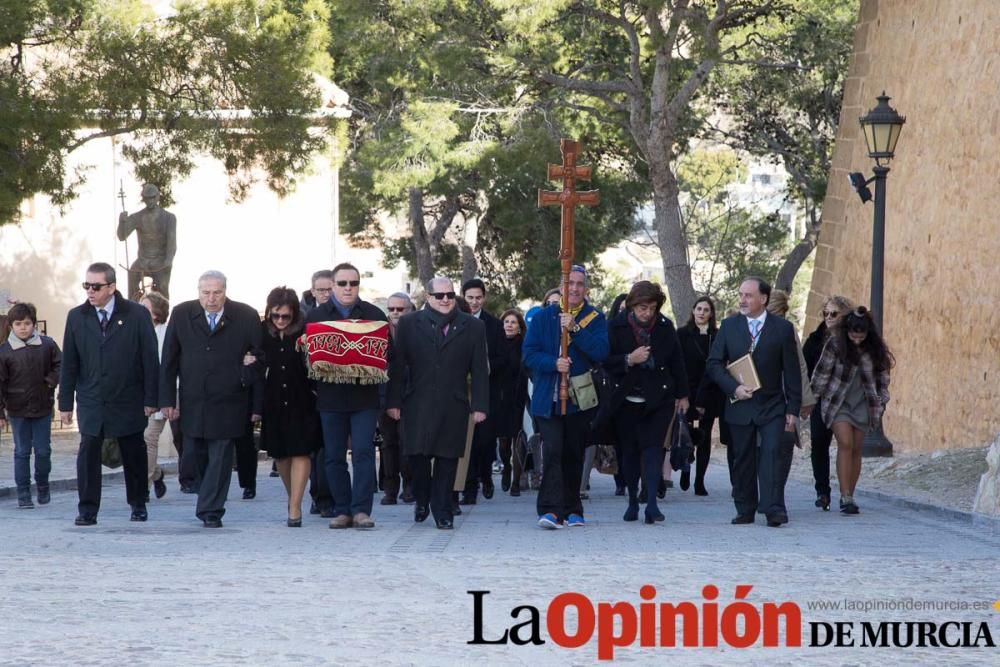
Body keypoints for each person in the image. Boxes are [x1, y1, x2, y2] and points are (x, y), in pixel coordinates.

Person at [159, 270, 264, 528]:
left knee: (221, 455)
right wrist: (167, 399)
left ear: (225, 292)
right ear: (198, 292)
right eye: (206, 293)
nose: (211, 299)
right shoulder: (182, 314)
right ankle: (207, 499)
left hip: (230, 399)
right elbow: (169, 360)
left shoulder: (246, 315)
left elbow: (261, 358)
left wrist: (246, 371)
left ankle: (211, 509)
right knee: (195, 454)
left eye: (217, 292)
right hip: (193, 399)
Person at [59, 263, 159, 525]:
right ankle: (87, 510)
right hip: (92, 399)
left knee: (133, 452)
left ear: (112, 287)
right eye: (86, 286)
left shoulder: (136, 314)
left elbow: (150, 359)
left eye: (96, 286)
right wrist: (65, 402)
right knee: (88, 452)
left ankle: (138, 503)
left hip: (128, 397)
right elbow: (69, 361)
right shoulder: (77, 316)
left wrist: (152, 399)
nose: (90, 291)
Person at [386, 277, 489, 529]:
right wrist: (394, 401)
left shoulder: (472, 327)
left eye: (450, 295)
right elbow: (398, 366)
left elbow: (479, 369)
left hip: (453, 402)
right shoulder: (410, 323)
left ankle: (442, 510)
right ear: (428, 298)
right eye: (439, 296)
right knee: (417, 456)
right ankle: (423, 498)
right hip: (417, 401)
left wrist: (480, 405)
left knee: (447, 457)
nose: (445, 300)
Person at [706, 277, 802, 528]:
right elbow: (714, 364)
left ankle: (774, 509)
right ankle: (745, 508)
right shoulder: (729, 326)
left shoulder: (782, 329)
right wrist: (734, 388)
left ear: (764, 299)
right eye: (741, 295)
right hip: (741, 405)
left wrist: (793, 409)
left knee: (772, 454)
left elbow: (791, 372)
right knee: (743, 458)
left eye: (748, 295)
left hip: (772, 405)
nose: (743, 300)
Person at [523, 265, 608, 529]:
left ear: (586, 288)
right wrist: (553, 363)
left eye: (579, 284)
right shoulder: (542, 318)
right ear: (561, 286)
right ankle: (549, 509)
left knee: (573, 453)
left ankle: (573, 508)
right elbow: (529, 354)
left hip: (579, 399)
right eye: (570, 283)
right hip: (547, 397)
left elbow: (601, 352)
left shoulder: (595, 317)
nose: (574, 288)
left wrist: (575, 330)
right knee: (554, 451)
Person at [305, 262, 388, 530]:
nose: (348, 288)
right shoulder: (316, 317)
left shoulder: (374, 315)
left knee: (364, 453)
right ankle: (342, 509)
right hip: (330, 398)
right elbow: (305, 361)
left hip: (365, 398)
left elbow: (389, 355)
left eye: (353, 283)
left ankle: (361, 510)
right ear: (333, 286)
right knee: (333, 456)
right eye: (342, 283)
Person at [601, 282, 689, 524]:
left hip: (657, 399)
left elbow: (677, 362)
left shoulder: (664, 327)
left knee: (653, 451)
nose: (647, 313)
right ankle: (631, 501)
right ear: (632, 305)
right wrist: (630, 359)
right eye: (642, 307)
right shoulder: (615, 326)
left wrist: (683, 395)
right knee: (629, 453)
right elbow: (605, 361)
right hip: (625, 399)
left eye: (651, 308)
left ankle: (651, 503)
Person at [810, 306, 893, 515]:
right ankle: (845, 494)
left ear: (867, 333)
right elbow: (821, 373)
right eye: (853, 335)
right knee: (845, 443)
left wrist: (882, 400)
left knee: (856, 448)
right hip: (838, 402)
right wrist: (810, 400)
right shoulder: (835, 345)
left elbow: (883, 377)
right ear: (847, 331)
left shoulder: (875, 350)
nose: (856, 339)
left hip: (864, 403)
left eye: (861, 335)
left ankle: (850, 495)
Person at [259, 287, 322, 526]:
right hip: (274, 402)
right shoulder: (262, 333)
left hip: (303, 401)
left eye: (285, 316)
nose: (280, 321)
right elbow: (254, 357)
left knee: (301, 452)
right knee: (281, 456)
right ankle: (292, 497)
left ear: (294, 313)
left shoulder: (306, 334)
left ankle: (295, 507)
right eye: (275, 316)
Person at [0, 302, 61, 509]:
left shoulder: (47, 345)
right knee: (22, 451)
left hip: (43, 406)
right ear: (11, 326)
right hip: (17, 409)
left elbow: (60, 364)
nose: (23, 327)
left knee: (43, 450)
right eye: (18, 324)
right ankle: (23, 492)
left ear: (34, 324)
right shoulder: (5, 351)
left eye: (27, 323)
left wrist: (51, 381)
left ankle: (42, 484)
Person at [802, 295, 855, 511]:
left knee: (847, 445)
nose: (829, 318)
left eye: (834, 314)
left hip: (846, 402)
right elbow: (804, 368)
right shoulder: (815, 339)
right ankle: (822, 491)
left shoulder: (854, 338)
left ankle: (847, 493)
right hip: (820, 400)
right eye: (826, 313)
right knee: (819, 445)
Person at [459, 278, 504, 504]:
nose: (474, 302)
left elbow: (502, 358)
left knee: (485, 441)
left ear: (484, 298)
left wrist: (482, 366)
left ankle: (485, 476)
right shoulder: (457, 322)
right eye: (470, 298)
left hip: (487, 391)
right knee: (467, 442)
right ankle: (469, 488)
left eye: (478, 298)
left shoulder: (494, 325)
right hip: (460, 393)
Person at [677, 296, 726, 496]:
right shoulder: (682, 334)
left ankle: (700, 480)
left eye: (706, 310)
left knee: (704, 438)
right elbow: (678, 365)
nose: (702, 313)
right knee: (686, 435)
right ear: (693, 311)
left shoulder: (718, 335)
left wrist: (704, 398)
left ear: (711, 314)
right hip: (688, 391)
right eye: (699, 308)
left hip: (710, 393)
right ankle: (686, 470)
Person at [139, 291, 182, 501]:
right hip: (137, 394)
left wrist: (172, 399)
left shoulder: (166, 333)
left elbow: (172, 367)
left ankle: (143, 486)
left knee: (149, 437)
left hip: (161, 394)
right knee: (136, 440)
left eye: (145, 307)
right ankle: (156, 473)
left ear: (156, 313)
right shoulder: (135, 331)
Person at [378, 292, 415, 505]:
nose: (394, 313)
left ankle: (409, 486)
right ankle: (390, 489)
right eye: (391, 309)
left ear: (409, 310)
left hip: (410, 396)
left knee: (407, 443)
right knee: (388, 444)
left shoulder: (418, 330)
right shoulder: (380, 332)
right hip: (384, 394)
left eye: (400, 309)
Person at [116, 183, 177, 300]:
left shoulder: (169, 218)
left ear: (158, 197)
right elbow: (122, 236)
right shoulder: (137, 217)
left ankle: (162, 311)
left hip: (160, 260)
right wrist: (121, 222)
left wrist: (168, 261)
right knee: (132, 274)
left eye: (153, 197)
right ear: (143, 199)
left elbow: (172, 243)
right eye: (147, 198)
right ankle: (133, 308)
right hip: (143, 260)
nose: (150, 201)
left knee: (162, 288)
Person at [495, 309, 528, 496]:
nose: (509, 325)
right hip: (501, 398)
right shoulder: (495, 345)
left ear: (519, 327)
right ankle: (506, 467)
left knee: (519, 439)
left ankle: (516, 480)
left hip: (519, 397)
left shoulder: (524, 345)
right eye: (506, 321)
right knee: (504, 441)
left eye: (513, 322)